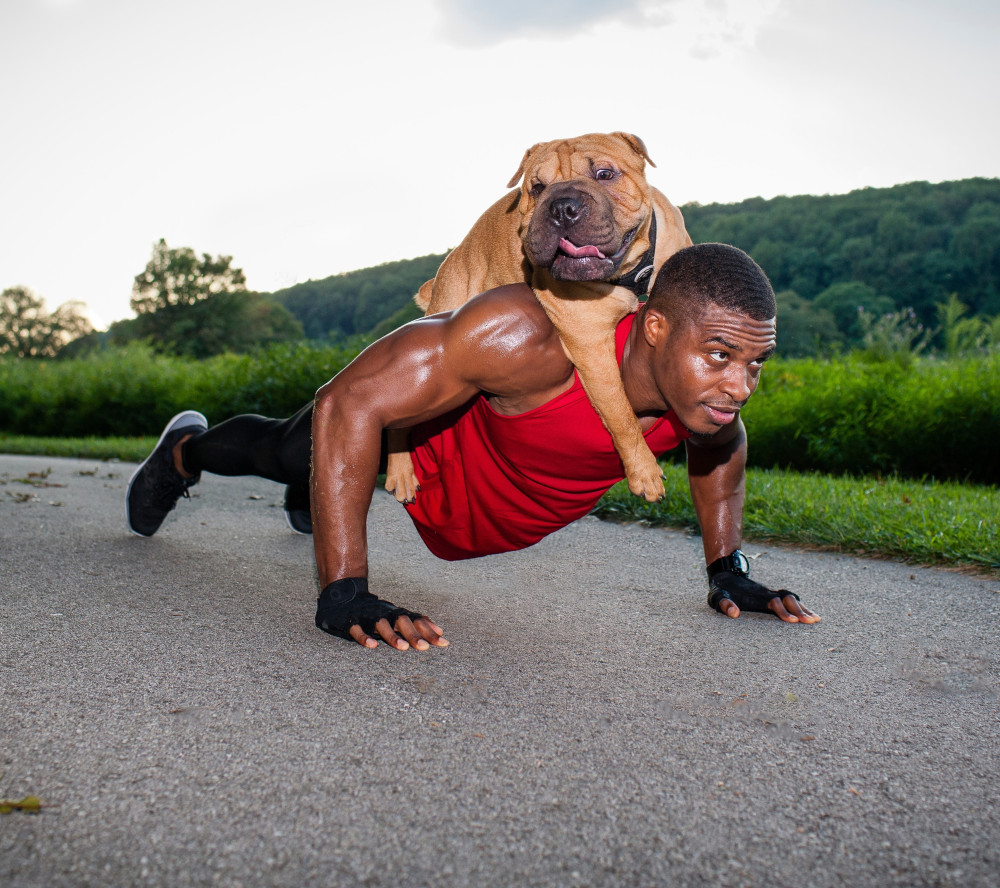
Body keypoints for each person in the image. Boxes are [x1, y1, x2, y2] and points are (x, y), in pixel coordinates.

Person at [126, 243, 820, 651]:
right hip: (413, 444)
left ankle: (315, 492)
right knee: (291, 449)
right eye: (722, 355)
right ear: (657, 328)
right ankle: (183, 452)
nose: (740, 385)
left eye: (755, 363)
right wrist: (344, 592)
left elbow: (724, 457)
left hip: (464, 513)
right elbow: (351, 402)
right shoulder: (530, 337)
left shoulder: (702, 409)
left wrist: (727, 569)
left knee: (315, 468)